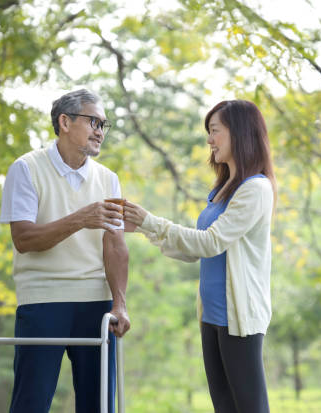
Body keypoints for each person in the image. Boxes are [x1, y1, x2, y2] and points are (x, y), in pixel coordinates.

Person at [124, 100, 276, 413]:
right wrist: (141, 228)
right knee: (224, 407)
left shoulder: (256, 189)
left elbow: (210, 243)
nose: (209, 140)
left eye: (215, 131)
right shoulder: (223, 190)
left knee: (249, 407)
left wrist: (150, 220)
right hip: (211, 317)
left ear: (240, 134)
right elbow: (194, 252)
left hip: (239, 320)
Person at [0, 89, 130, 413]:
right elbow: (24, 239)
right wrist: (81, 218)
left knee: (99, 405)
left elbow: (115, 244)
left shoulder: (108, 179)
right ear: (65, 122)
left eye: (104, 124)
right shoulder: (26, 168)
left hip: (97, 305)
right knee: (31, 403)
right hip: (42, 299)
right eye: (93, 121)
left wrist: (120, 303)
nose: (100, 130)